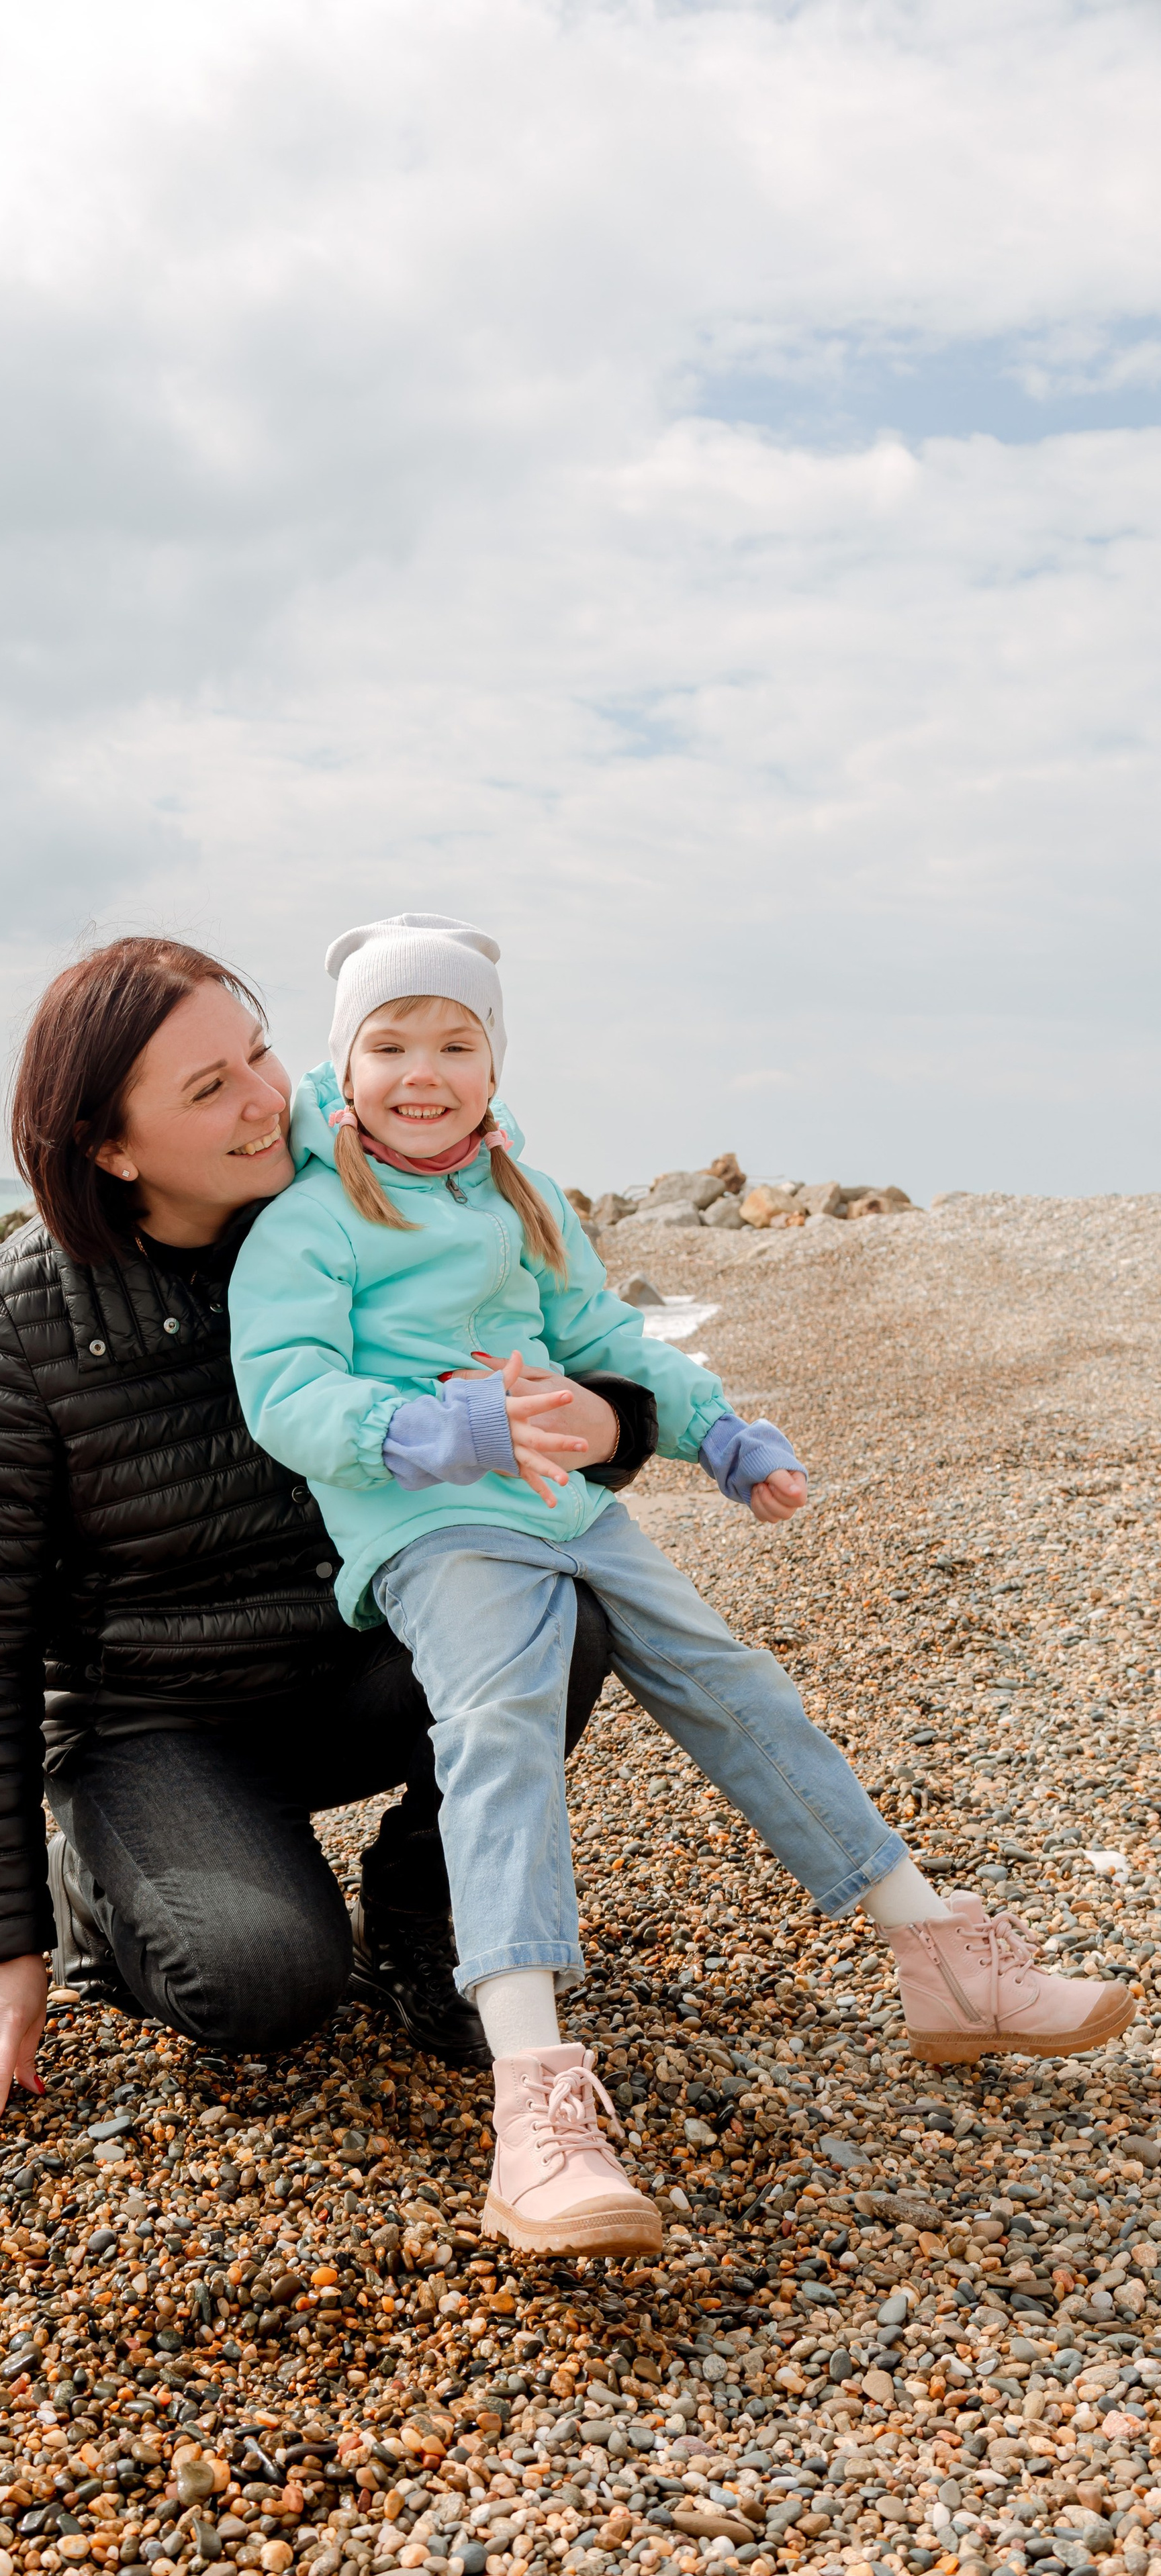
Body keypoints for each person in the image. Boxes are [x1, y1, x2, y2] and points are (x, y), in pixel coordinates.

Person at [228, 911, 1133, 2258]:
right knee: (500, 1736)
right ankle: (532, 2102)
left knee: (732, 1684)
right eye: (391, 1042)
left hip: (567, 1507)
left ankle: (938, 1955)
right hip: (438, 1531)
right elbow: (283, 1389)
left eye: (454, 1042)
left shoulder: (516, 1199)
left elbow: (599, 1336)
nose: (423, 1070)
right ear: (343, 1064)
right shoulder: (311, 1220)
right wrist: (424, 1432)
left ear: (492, 1061)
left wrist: (718, 1433)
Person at [0, 935, 641, 2132]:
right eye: (209, 1089)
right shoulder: (15, 1320)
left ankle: (425, 1913)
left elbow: (556, 1345)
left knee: (557, 1609)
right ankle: (103, 1888)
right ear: (109, 1145)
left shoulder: (339, 1206)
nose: (268, 1099)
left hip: (346, 1669)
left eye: (258, 1054)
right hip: (156, 1725)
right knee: (265, 1989)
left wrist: (615, 1421)